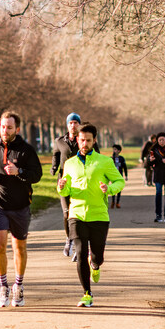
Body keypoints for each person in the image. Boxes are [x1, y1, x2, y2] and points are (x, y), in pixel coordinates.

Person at [57, 124, 125, 307]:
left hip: (99, 215)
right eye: (81, 140)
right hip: (77, 214)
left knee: (97, 256)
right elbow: (66, 190)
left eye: (88, 140)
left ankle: (95, 265)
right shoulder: (69, 163)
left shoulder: (104, 162)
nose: (84, 143)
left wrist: (109, 189)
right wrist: (62, 187)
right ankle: (86, 293)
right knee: (80, 253)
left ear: (94, 140)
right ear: (77, 140)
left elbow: (120, 181)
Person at [0, 111, 43, 307]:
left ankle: (18, 285)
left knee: (19, 247)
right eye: (2, 127)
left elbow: (37, 175)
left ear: (17, 129)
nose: (5, 130)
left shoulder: (26, 150)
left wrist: (20, 172)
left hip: (20, 205)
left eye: (9, 127)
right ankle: (3, 286)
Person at [51, 112, 82, 260]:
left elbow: (96, 155)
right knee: (66, 212)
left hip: (80, 181)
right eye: (71, 123)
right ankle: (68, 239)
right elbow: (56, 155)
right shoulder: (59, 141)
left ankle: (78, 244)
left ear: (79, 125)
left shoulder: (84, 140)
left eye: (76, 122)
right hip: (64, 180)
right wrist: (54, 168)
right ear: (67, 125)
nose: (73, 125)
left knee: (78, 214)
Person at [109, 143, 129, 207]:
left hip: (119, 176)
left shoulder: (121, 159)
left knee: (119, 189)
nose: (114, 151)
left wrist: (126, 175)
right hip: (113, 176)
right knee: (113, 189)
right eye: (113, 149)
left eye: (115, 149)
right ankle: (113, 202)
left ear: (119, 151)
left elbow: (125, 167)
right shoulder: (111, 158)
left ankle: (117, 202)